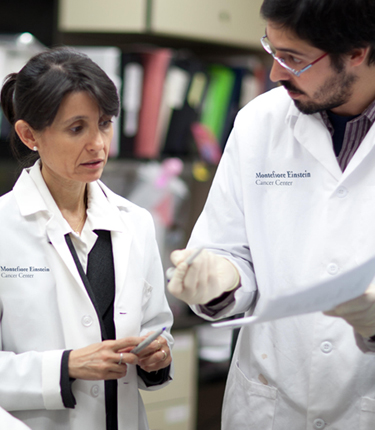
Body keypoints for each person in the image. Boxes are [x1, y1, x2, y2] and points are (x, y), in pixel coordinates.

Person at [167, 0, 375, 429]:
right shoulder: (259, 123)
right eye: (273, 50)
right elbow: (227, 247)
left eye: (294, 58)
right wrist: (220, 278)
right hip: (269, 404)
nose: (276, 74)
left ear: (358, 52)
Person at [0, 47, 173, 430]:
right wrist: (65, 366)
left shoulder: (136, 223)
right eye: (77, 128)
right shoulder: (3, 227)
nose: (98, 144)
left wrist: (158, 354)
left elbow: (158, 325)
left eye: (105, 123)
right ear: (30, 135)